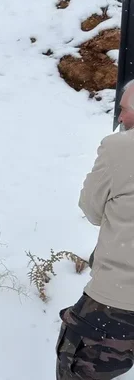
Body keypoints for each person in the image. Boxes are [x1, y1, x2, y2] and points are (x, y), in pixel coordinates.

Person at [55, 81, 134, 379]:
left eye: (124, 110)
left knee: (76, 365)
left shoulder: (121, 148)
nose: (120, 118)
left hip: (119, 300)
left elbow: (91, 209)